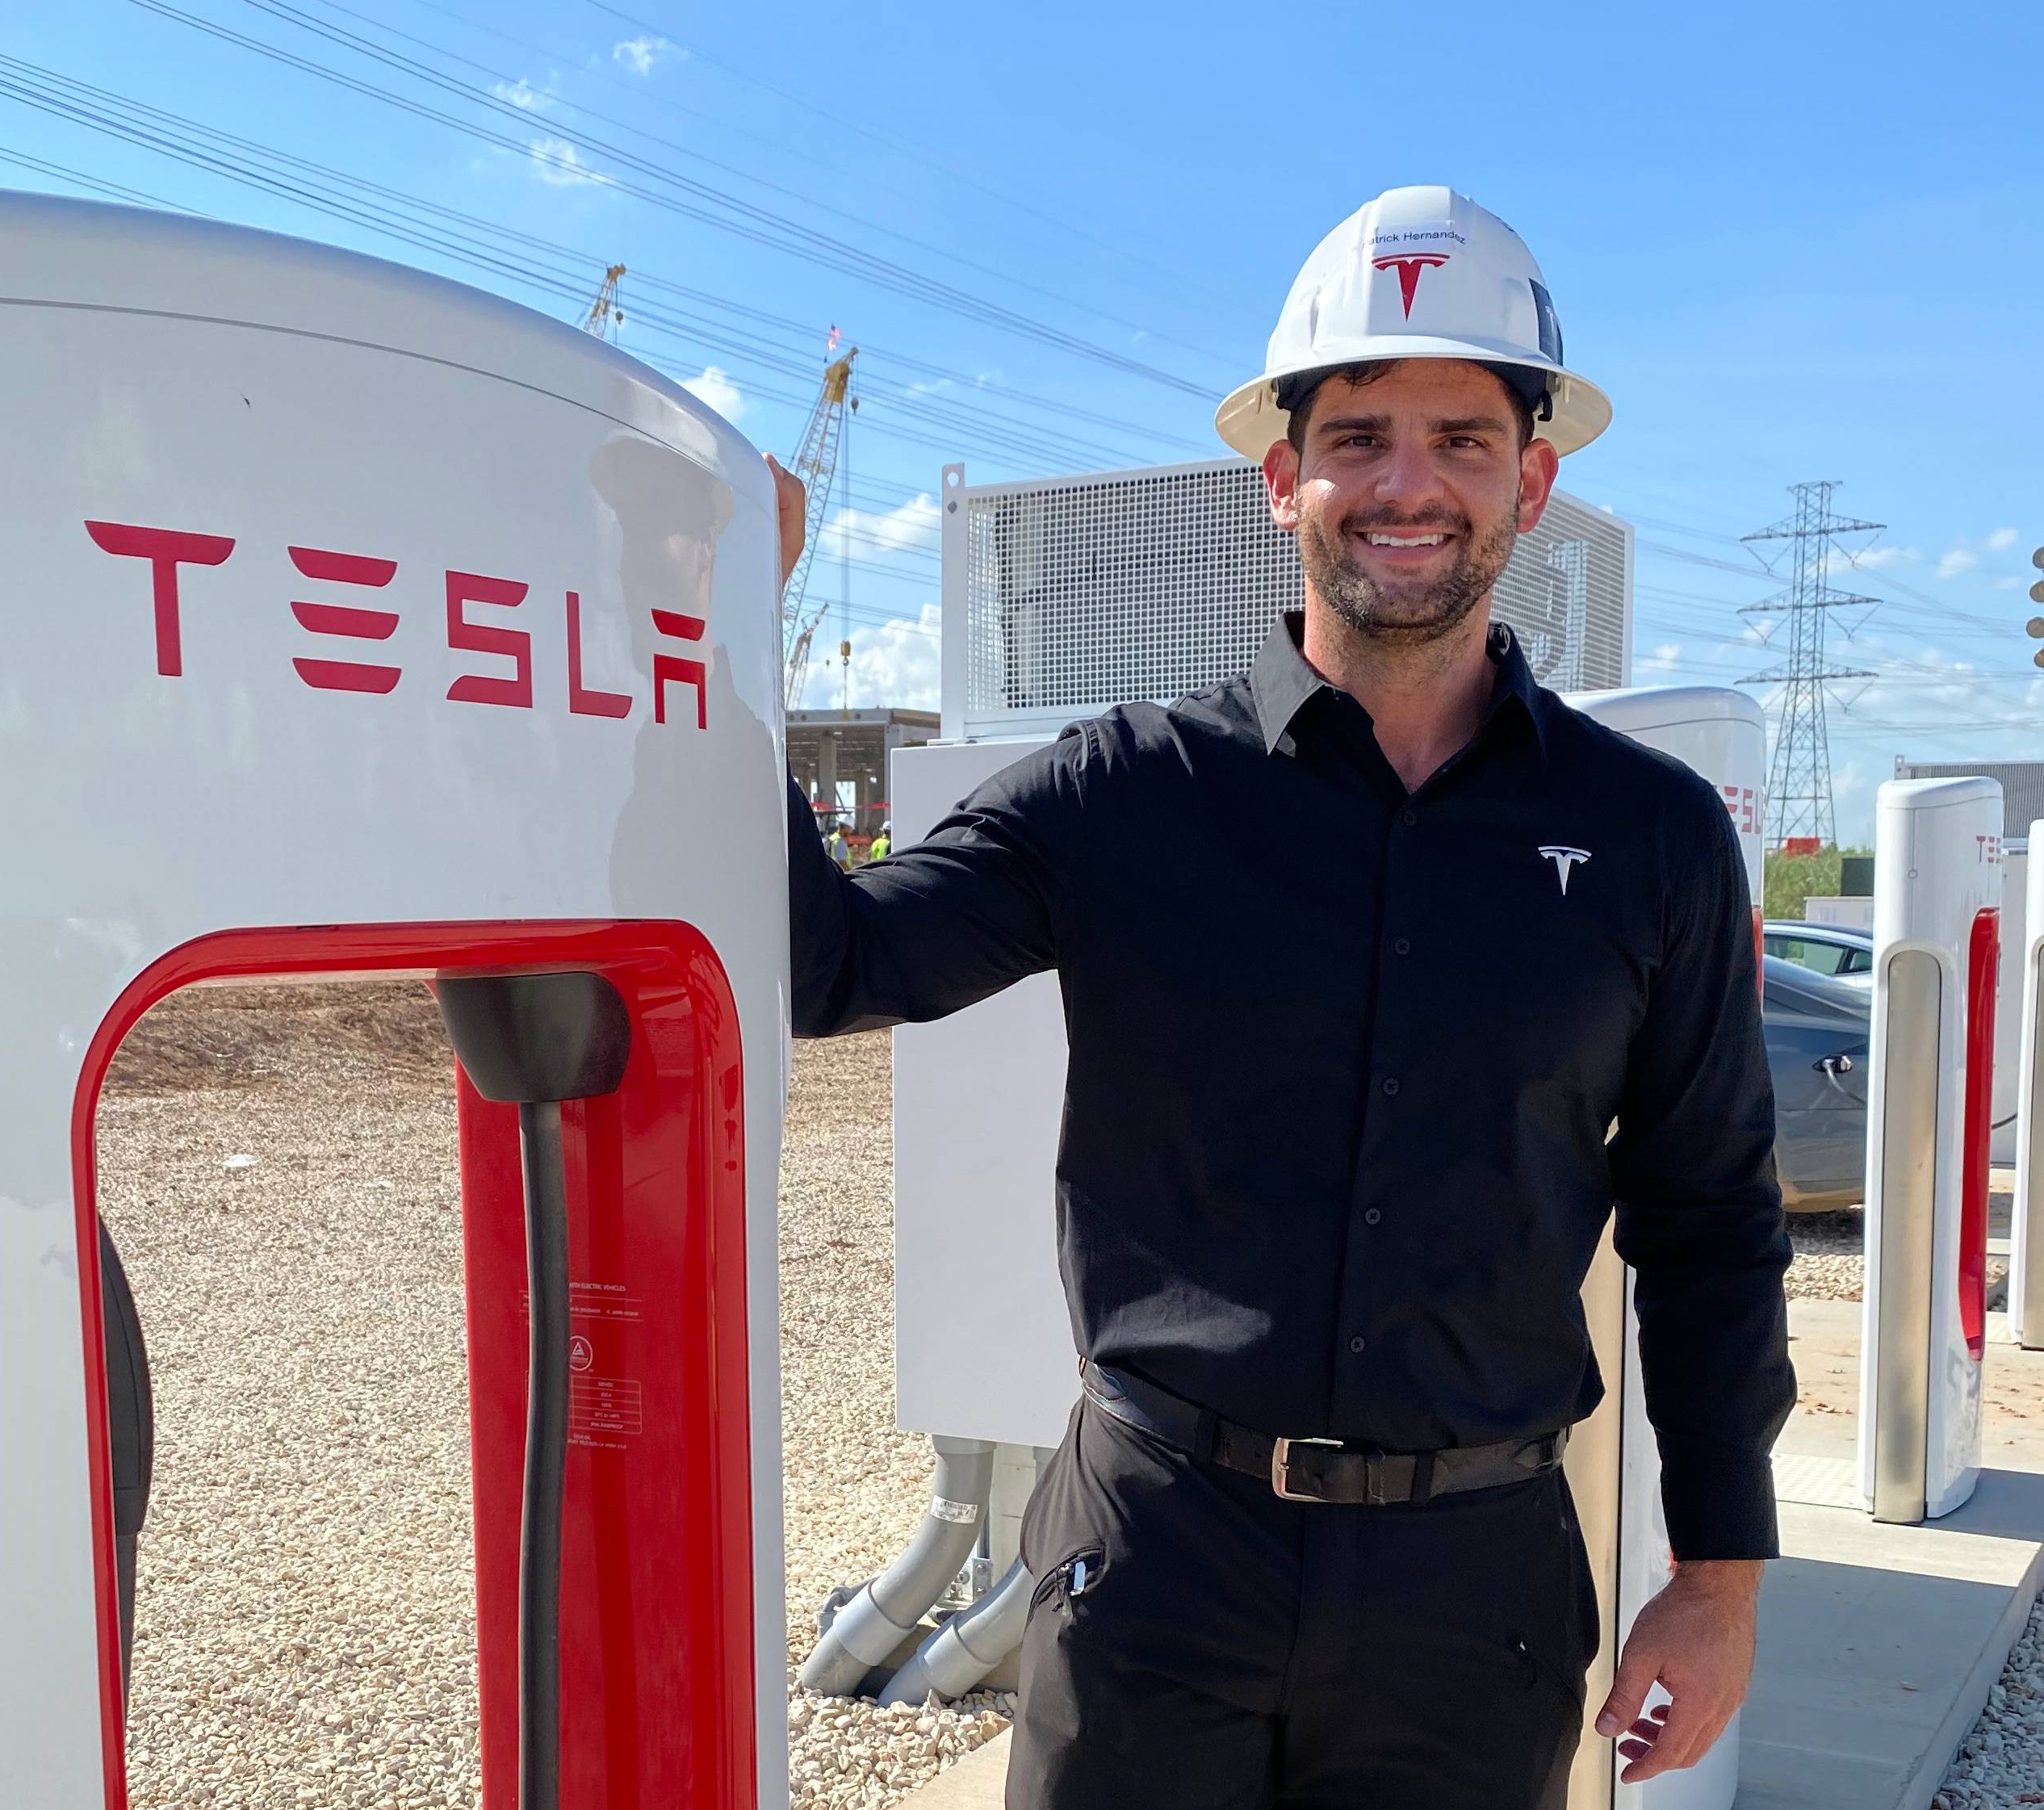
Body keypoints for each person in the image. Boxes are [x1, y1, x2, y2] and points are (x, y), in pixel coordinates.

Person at [765, 185, 1790, 1810]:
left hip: (1477, 1592)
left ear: (1531, 478)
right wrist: (721, 635)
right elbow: (826, 961)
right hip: (1157, 1560)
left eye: (1461, 437)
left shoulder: (1648, 834)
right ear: (1280, 476)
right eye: (1360, 432)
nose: (1408, 482)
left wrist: (1720, 1576)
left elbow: (1715, 1218)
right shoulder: (1129, 791)